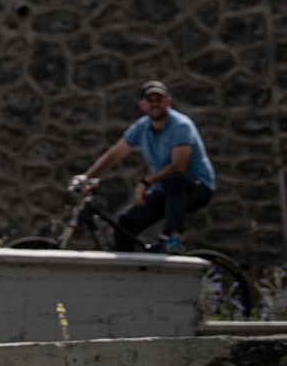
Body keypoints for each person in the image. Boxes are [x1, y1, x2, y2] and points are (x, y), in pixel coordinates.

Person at [74, 80, 215, 254]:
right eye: (150, 100)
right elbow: (114, 154)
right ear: (141, 104)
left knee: (175, 180)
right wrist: (86, 176)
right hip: (164, 191)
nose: (154, 104)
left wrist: (146, 182)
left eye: (159, 99)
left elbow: (179, 166)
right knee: (125, 223)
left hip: (197, 188)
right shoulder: (141, 127)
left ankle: (174, 240)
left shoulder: (181, 125)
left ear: (168, 101)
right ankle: (126, 269)